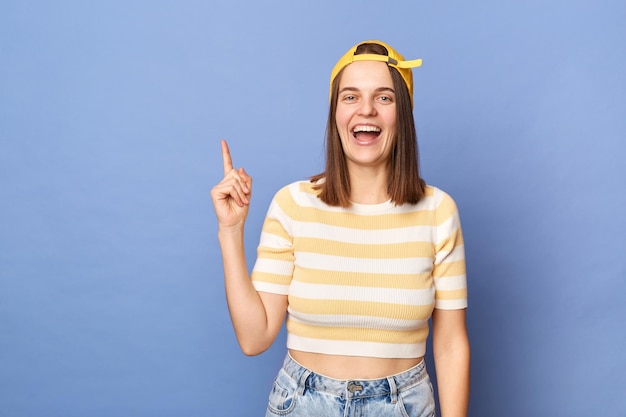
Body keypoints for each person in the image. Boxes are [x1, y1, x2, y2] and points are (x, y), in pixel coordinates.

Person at [211, 40, 470, 417]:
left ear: (404, 113)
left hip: (404, 405)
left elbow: (450, 344)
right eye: (350, 97)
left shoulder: (438, 211)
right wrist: (230, 232)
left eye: (384, 98)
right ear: (335, 113)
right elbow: (254, 338)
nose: (366, 109)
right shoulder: (293, 204)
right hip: (302, 404)